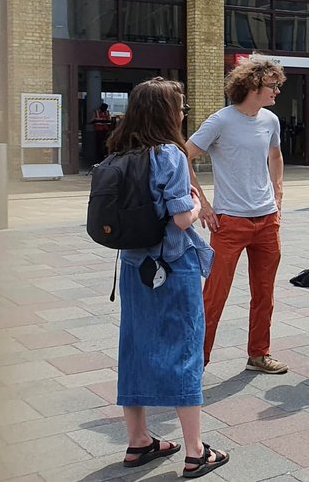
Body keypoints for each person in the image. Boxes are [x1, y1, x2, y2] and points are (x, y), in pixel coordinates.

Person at [110, 77, 228, 477]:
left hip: (132, 267)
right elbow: (179, 220)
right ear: (167, 113)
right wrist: (196, 205)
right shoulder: (170, 155)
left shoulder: (122, 151)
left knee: (135, 346)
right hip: (172, 267)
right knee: (185, 349)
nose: (183, 114)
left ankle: (138, 440)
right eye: (181, 108)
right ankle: (196, 450)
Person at [186, 54, 287, 374]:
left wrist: (278, 191)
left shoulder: (271, 121)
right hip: (230, 222)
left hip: (267, 220)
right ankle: (195, 362)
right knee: (213, 296)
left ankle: (259, 354)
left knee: (265, 293)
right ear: (254, 84)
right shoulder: (220, 120)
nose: (277, 92)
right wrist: (202, 202)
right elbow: (183, 157)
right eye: (273, 85)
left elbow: (276, 154)